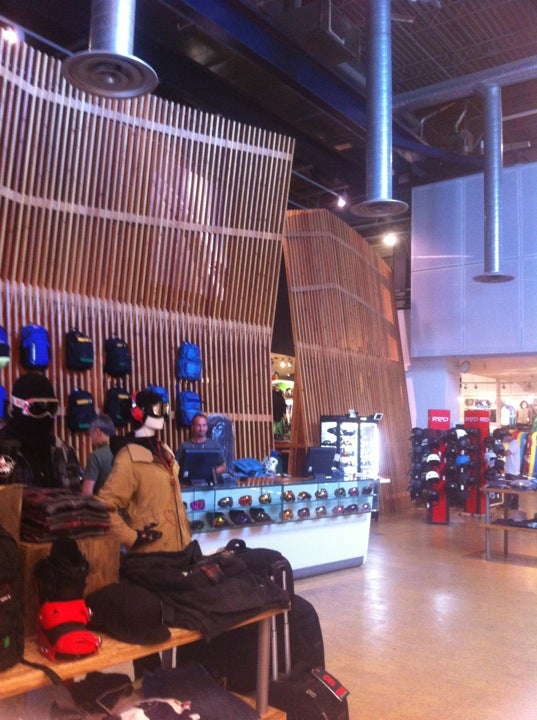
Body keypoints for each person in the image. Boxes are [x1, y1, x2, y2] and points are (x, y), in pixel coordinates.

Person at [97, 387, 191, 553]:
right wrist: (132, 538)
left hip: (180, 550)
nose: (163, 415)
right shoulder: (129, 457)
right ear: (138, 413)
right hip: (151, 556)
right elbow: (104, 507)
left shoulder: (164, 451)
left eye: (165, 409)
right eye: (157, 410)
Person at [0, 372, 82, 488]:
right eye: (37, 408)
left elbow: (75, 495)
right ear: (17, 406)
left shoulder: (63, 451)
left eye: (51, 408)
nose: (46, 415)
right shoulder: (4, 450)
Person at [175, 412, 226, 479]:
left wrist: (210, 473)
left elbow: (223, 466)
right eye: (198, 425)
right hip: (187, 483)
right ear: (192, 427)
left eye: (204, 425)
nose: (201, 428)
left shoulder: (215, 445)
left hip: (209, 483)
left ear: (207, 427)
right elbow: (174, 467)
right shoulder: (184, 446)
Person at [81, 414, 116, 496]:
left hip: (103, 502)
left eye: (90, 434)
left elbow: (87, 493)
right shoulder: (125, 449)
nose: (91, 438)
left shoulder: (96, 456)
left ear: (97, 432)